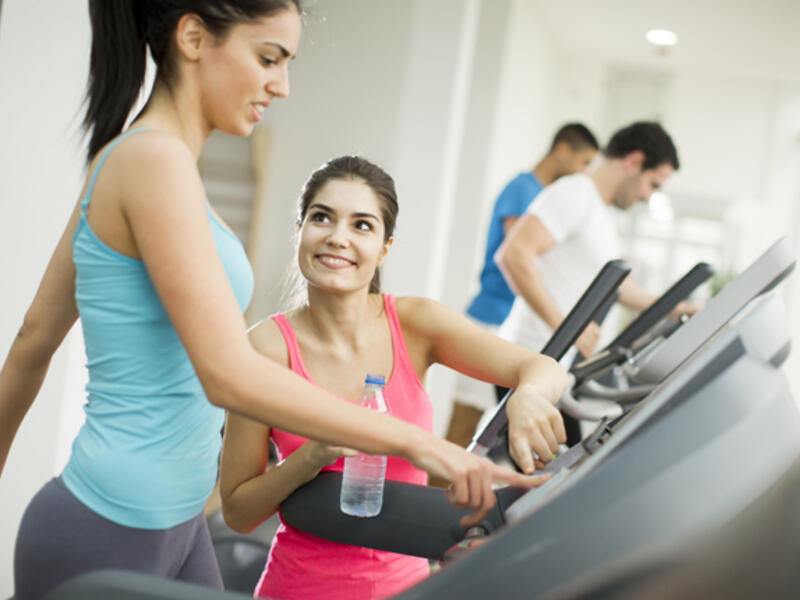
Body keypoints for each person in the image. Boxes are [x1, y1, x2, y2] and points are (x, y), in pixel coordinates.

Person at [0, 3, 549, 599]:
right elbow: (227, 375)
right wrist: (416, 442)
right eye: (268, 58)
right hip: (111, 522)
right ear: (193, 37)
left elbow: (32, 337)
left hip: (178, 525)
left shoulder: (150, 163)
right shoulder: (150, 159)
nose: (282, 85)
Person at [219, 155, 568, 600]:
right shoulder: (265, 347)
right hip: (298, 588)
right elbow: (238, 512)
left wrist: (528, 395)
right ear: (300, 231)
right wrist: (310, 458)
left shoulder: (415, 323)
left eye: (361, 225)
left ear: (384, 248)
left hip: (406, 588)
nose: (338, 237)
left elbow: (544, 368)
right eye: (321, 217)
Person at [495, 122, 698, 407]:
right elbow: (514, 254)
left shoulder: (603, 213)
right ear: (634, 162)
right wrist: (568, 329)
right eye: (652, 184)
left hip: (552, 365)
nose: (648, 196)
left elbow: (620, 289)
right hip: (527, 358)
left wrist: (677, 308)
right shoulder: (576, 193)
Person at [443, 123, 599, 451]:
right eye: (583, 162)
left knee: (496, 429)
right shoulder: (523, 189)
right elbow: (517, 256)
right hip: (490, 317)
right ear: (562, 150)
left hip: (511, 324)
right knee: (466, 421)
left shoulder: (546, 197)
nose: (584, 173)